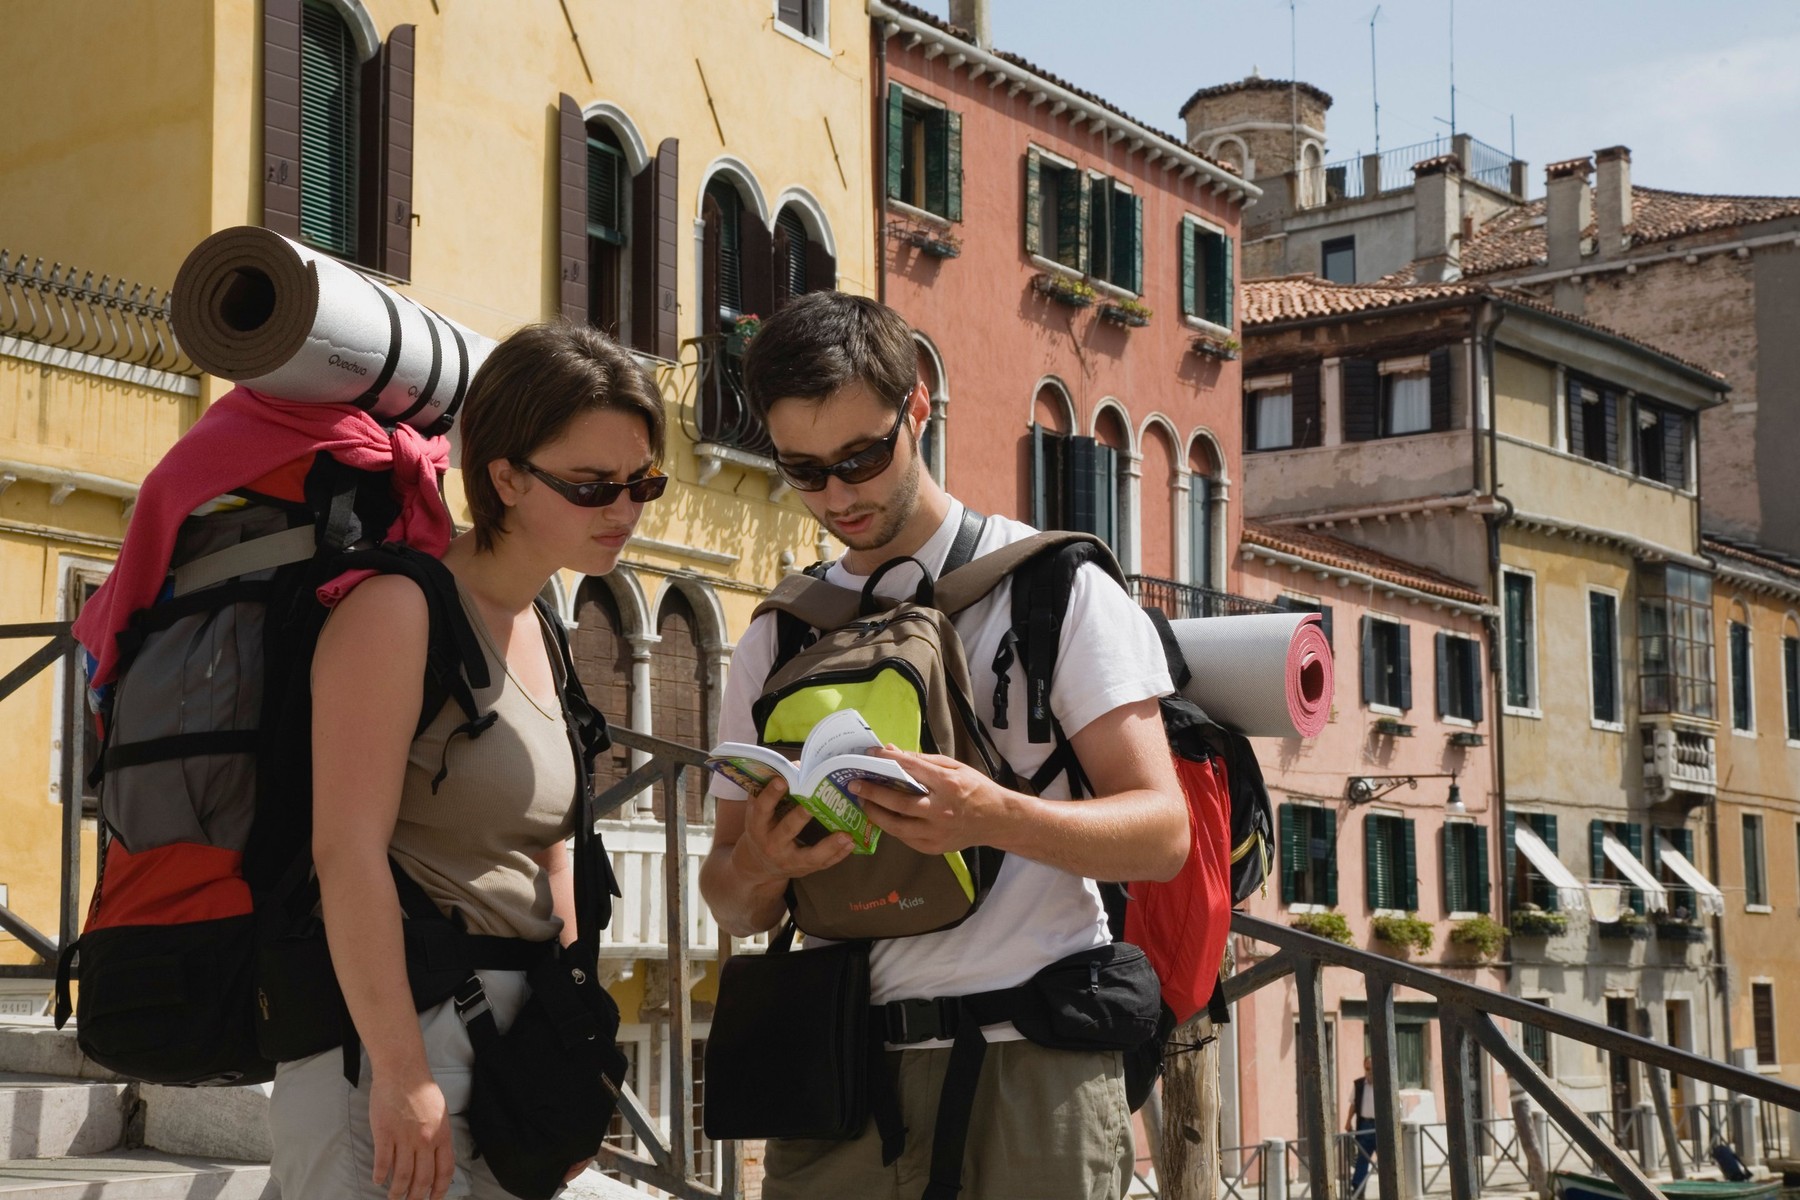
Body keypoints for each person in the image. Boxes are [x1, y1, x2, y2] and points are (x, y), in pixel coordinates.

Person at [698, 292, 1189, 1200]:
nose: (838, 495)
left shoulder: (1054, 589)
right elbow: (730, 902)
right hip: (841, 1083)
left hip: (1034, 1069)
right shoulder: (778, 635)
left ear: (917, 406)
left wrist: (993, 817)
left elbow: (1162, 833)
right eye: (805, 471)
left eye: (861, 457)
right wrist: (762, 862)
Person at [268, 322, 666, 1200]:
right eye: (593, 485)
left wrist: (571, 1057)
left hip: (515, 1049)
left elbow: (553, 855)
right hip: (397, 1040)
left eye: (643, 483)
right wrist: (402, 1073)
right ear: (506, 477)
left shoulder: (546, 634)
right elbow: (347, 850)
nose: (625, 510)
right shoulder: (397, 611)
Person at [1347, 1056, 1379, 1194]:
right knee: (1362, 1158)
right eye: (1367, 1069)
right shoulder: (1359, 1084)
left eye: (1372, 1069)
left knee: (1387, 1159)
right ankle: (1358, 1190)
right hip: (1364, 1125)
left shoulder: (1384, 1083)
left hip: (1381, 1127)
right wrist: (1348, 1121)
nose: (1370, 1072)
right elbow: (1353, 1104)